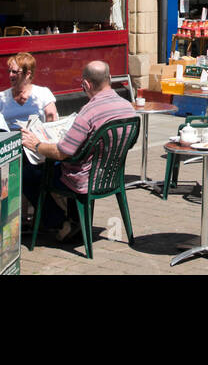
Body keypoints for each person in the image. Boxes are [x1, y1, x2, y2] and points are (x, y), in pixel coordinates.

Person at [21, 61, 135, 242]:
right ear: (110, 79)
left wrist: (36, 145)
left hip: (86, 179)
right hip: (112, 175)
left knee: (29, 174)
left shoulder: (88, 112)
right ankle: (75, 221)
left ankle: (59, 223)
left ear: (87, 85)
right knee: (68, 162)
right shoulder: (128, 107)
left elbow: (62, 152)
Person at [0, 52, 58, 128]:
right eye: (9, 71)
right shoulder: (1, 97)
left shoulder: (43, 93)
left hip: (35, 138)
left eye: (14, 72)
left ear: (28, 74)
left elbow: (52, 124)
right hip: (9, 138)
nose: (10, 75)